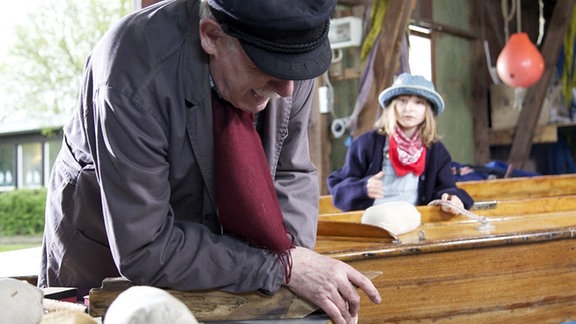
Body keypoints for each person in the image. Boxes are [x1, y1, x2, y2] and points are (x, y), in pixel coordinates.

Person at [38, 0, 381, 323]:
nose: (288, 89)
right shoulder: (132, 72)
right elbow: (145, 247)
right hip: (109, 253)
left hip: (214, 251)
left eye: (298, 68)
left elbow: (291, 171)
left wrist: (290, 256)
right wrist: (280, 267)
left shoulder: (290, 59)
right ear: (211, 36)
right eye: (266, 66)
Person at [327, 73, 474, 213]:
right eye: (402, 100)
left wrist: (451, 198)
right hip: (372, 223)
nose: (408, 108)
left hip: (415, 221)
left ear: (427, 111)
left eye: (419, 103)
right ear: (392, 106)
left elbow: (445, 188)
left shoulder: (435, 150)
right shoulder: (366, 144)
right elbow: (338, 188)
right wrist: (362, 188)